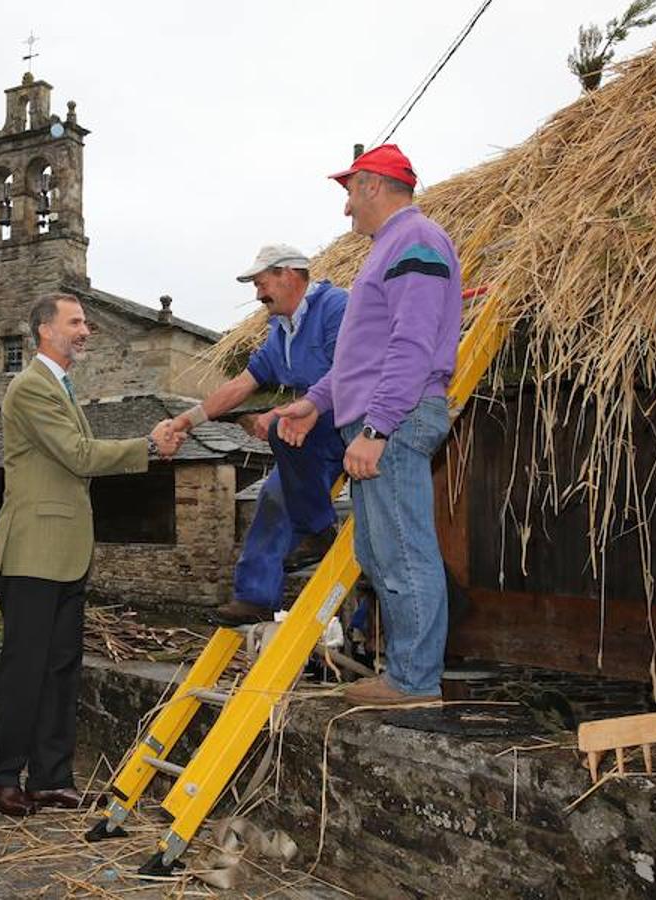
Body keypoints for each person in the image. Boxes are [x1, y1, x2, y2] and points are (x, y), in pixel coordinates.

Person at [272, 145, 462, 707]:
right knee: (380, 553)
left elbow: (412, 345)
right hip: (381, 419)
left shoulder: (416, 240)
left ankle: (415, 681)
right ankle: (406, 673)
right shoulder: (390, 249)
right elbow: (363, 357)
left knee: (403, 549)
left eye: (350, 192)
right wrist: (316, 403)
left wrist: (376, 430)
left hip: (395, 421)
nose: (346, 208)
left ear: (373, 185)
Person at [0, 293, 182, 817]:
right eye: (75, 322)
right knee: (25, 672)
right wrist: (148, 445)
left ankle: (50, 779)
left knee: (60, 671)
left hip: (64, 553)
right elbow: (78, 456)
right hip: (33, 553)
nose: (85, 330)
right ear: (45, 330)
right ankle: (3, 778)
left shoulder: (61, 387)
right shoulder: (31, 386)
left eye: (86, 322)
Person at [161, 244, 347, 625]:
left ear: (288, 274)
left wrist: (286, 411)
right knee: (272, 498)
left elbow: (348, 370)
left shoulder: (335, 307)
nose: (258, 294)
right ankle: (255, 598)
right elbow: (241, 384)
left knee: (279, 427)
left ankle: (316, 528)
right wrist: (185, 421)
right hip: (305, 431)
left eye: (262, 284)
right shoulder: (280, 333)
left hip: (348, 423)